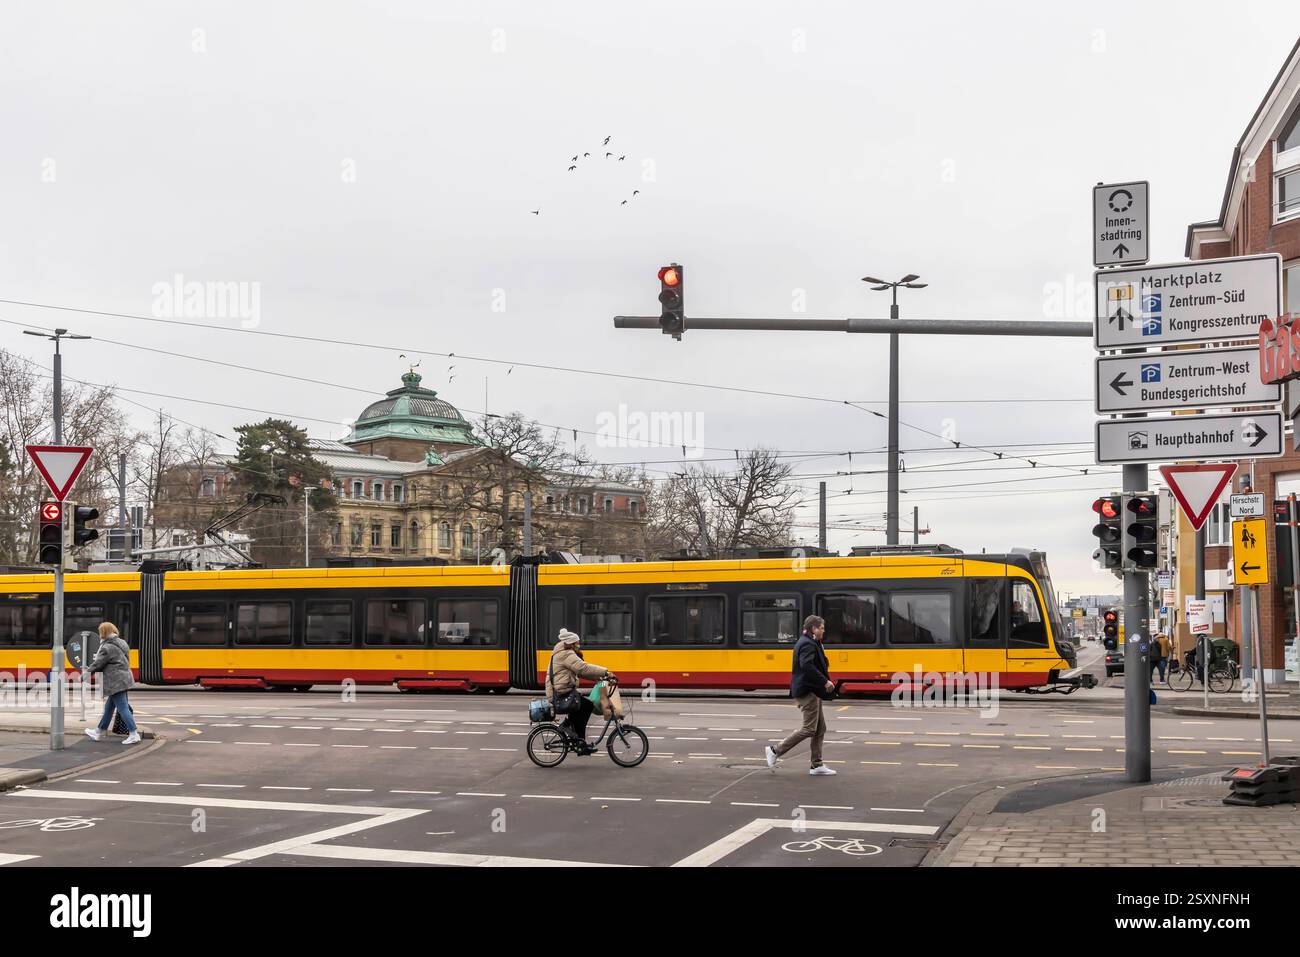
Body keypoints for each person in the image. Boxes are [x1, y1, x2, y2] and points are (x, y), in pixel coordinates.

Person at [765, 615, 836, 775]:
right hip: (807, 691)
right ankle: (775, 750)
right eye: (822, 628)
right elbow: (807, 666)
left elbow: (820, 663)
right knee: (809, 728)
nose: (824, 631)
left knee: (820, 728)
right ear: (814, 629)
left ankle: (816, 765)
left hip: (812, 690)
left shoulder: (813, 643)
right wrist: (825, 681)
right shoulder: (807, 644)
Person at [545, 629, 612, 755]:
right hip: (560, 693)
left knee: (582, 706)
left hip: (562, 691)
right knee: (587, 706)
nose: (578, 646)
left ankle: (576, 738)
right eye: (577, 643)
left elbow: (578, 672)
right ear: (570, 644)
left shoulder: (563, 652)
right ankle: (580, 742)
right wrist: (605, 672)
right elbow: (583, 668)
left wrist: (596, 678)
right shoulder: (566, 654)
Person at [84, 622, 141, 745]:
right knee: (109, 708)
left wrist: (87, 672)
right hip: (124, 678)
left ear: (103, 632)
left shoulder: (106, 648)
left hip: (115, 681)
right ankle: (98, 731)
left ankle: (133, 734)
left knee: (123, 708)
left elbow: (99, 663)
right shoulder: (122, 643)